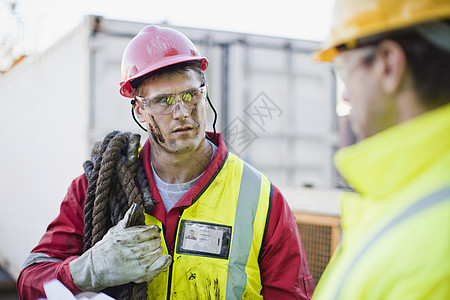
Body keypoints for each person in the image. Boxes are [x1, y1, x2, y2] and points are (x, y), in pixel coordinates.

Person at [17, 25, 314, 299]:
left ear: (204, 95)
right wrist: (89, 270)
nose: (182, 112)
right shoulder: (96, 188)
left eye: (190, 95)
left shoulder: (261, 199)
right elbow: (31, 280)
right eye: (164, 101)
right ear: (140, 111)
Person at [312, 0, 450, 299]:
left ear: (388, 64)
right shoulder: (406, 196)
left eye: (345, 72)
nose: (346, 93)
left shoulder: (427, 252)